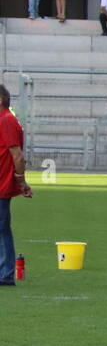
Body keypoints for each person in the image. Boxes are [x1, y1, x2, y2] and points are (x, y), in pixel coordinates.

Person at [0, 83, 31, 285]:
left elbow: (18, 156)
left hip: (1, 183)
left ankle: (5, 274)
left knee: (1, 228)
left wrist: (20, 181)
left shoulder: (6, 120)